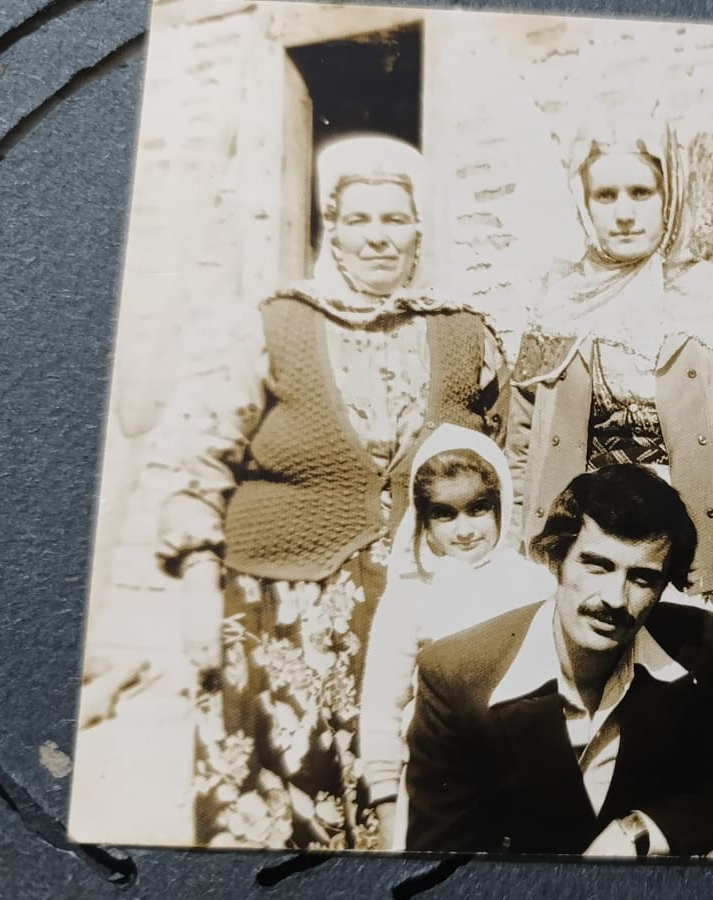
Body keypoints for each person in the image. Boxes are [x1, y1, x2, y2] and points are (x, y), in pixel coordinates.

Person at [149, 133, 506, 850]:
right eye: (358, 219)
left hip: (418, 601)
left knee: (414, 799)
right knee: (278, 807)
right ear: (332, 230)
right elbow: (200, 458)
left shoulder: (465, 332)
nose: (378, 237)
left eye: (395, 219)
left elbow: (498, 458)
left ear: (419, 230)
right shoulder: (276, 323)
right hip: (278, 604)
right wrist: (194, 583)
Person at [405, 464, 713, 856]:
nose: (614, 599)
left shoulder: (702, 648)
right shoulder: (456, 675)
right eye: (597, 566)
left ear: (664, 587)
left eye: (642, 578)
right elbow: (438, 862)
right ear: (556, 559)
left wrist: (641, 830)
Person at [506, 117, 713, 657]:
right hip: (576, 561)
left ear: (670, 195)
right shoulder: (555, 304)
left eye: (641, 192)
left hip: (690, 564)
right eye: (605, 195)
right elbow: (520, 449)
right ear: (583, 202)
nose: (624, 212)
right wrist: (521, 562)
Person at [359, 424, 555, 850]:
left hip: (525, 779)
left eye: (477, 509)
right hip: (437, 783)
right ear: (423, 521)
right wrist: (387, 803)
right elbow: (381, 706)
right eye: (444, 514)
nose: (464, 529)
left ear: (500, 505)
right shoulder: (410, 594)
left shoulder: (535, 584)